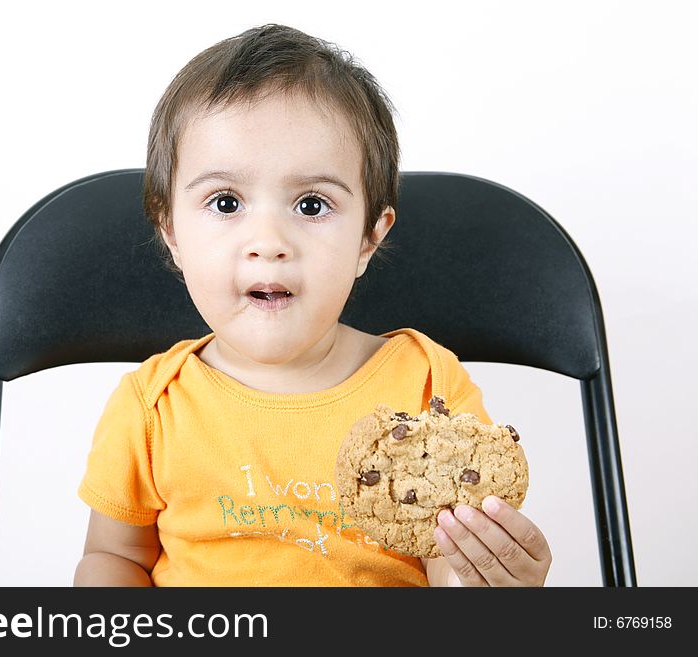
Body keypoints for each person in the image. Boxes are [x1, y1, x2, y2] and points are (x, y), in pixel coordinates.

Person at [73, 24, 552, 587]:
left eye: (311, 203)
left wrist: (487, 584)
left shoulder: (426, 387)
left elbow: (450, 560)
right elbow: (114, 557)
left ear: (368, 239)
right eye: (226, 202)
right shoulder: (151, 407)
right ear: (172, 232)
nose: (270, 239)